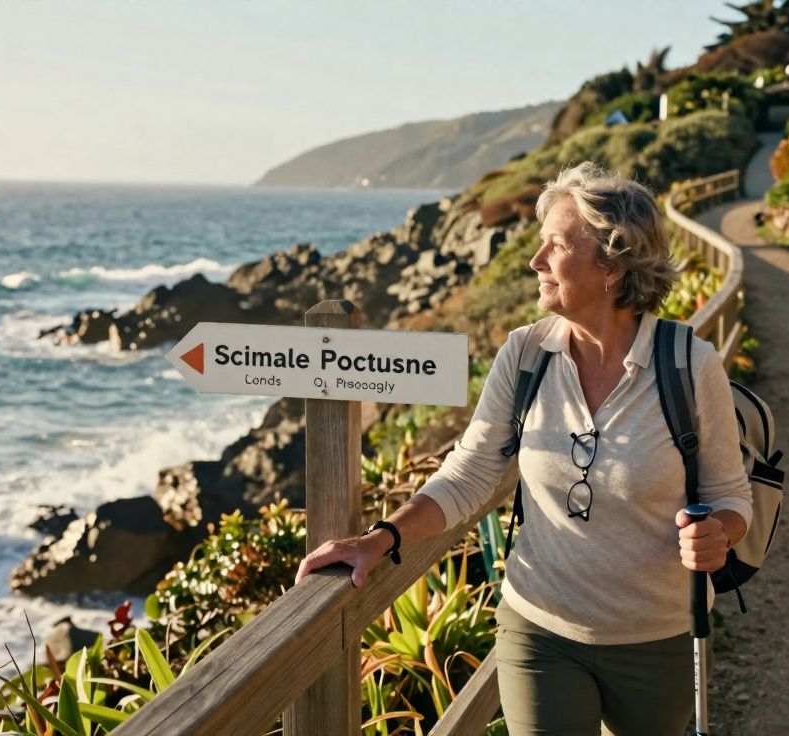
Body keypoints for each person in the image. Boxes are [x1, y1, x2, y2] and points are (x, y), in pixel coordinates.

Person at [295, 161, 753, 736]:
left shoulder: (689, 364)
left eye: (556, 247)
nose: (535, 262)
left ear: (612, 266)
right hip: (539, 628)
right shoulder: (525, 354)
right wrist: (382, 538)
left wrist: (721, 533)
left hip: (657, 635)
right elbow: (469, 473)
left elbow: (730, 496)